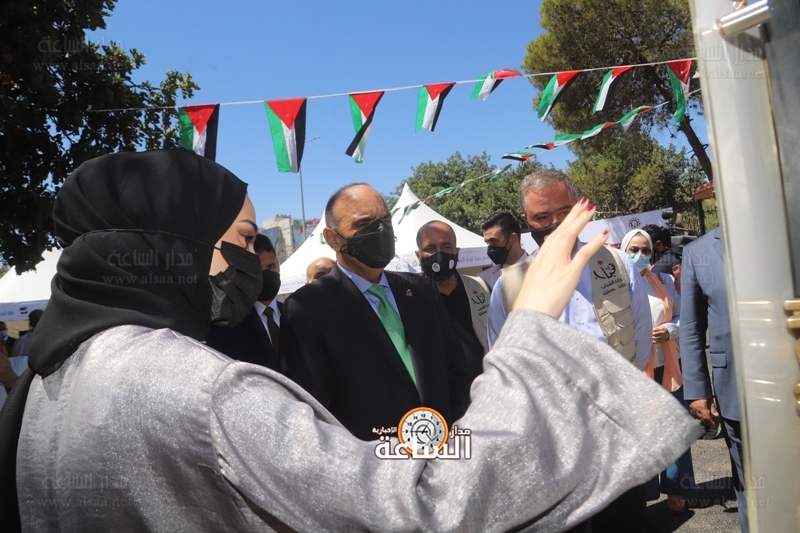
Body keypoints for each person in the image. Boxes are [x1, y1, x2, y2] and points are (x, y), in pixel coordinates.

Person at [0, 150, 700, 532]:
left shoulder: (47, 386)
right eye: (242, 239)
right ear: (178, 245)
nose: (252, 258)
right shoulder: (205, 391)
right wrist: (534, 330)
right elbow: (423, 509)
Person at [487, 170, 653, 533]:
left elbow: (640, 344)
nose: (555, 223)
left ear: (580, 208)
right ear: (526, 222)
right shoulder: (508, 287)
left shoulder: (618, 265)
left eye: (564, 211)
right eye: (542, 217)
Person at [281, 184, 472, 441]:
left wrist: (456, 435)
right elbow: (317, 410)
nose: (380, 230)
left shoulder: (421, 290)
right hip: (373, 458)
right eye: (364, 224)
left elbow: (455, 368)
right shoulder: (308, 308)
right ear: (333, 238)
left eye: (385, 220)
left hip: (443, 446)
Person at [622, 229, 695, 515]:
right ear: (623, 251)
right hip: (634, 370)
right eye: (634, 250)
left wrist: (670, 330)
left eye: (646, 250)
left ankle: (676, 487)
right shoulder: (613, 286)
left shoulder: (663, 281)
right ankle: (647, 491)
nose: (640, 255)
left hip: (667, 366)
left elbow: (682, 315)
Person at [680, 226, 748, 533]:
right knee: (752, 488)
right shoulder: (699, 251)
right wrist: (698, 390)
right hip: (734, 390)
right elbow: (691, 328)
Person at [415, 220, 491, 382]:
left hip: (483, 387)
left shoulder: (480, 287)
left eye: (446, 246)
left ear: (457, 252)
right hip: (439, 392)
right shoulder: (411, 297)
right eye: (430, 248)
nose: (439, 254)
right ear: (418, 256)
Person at [206, 233, 284, 372]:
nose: (265, 274)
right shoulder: (228, 323)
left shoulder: (295, 315)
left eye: (271, 266)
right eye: (258, 269)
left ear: (278, 265)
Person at [478, 211, 528, 290]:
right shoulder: (484, 280)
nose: (490, 248)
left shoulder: (541, 268)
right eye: (487, 242)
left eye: (494, 241)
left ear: (513, 239)